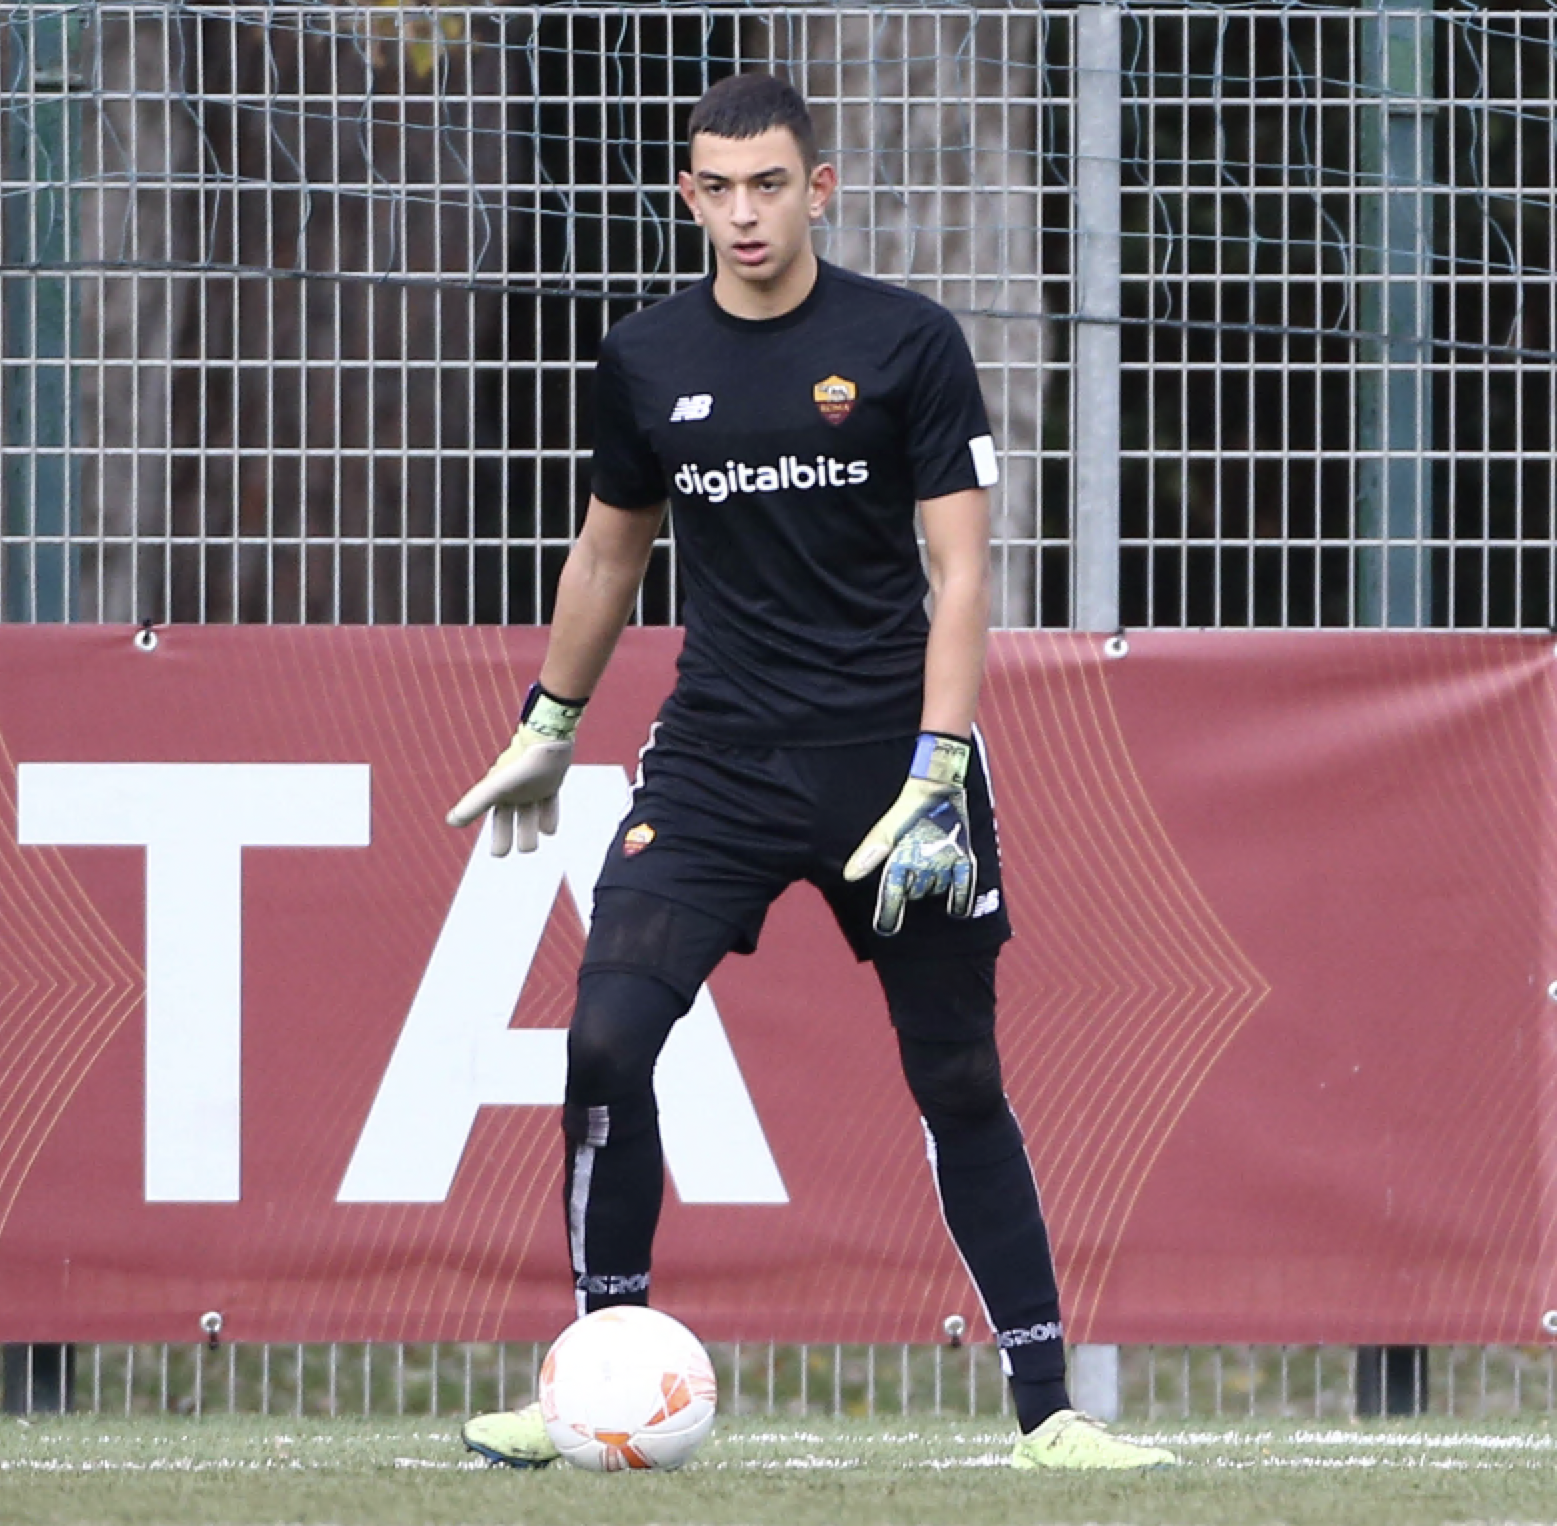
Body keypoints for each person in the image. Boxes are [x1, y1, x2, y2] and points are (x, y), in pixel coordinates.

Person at [444, 73, 1175, 1472]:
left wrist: (938, 766)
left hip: (890, 767)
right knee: (603, 1041)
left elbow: (961, 575)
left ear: (817, 189)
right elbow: (610, 553)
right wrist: (549, 722)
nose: (742, 214)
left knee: (956, 1072)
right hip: (715, 759)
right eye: (714, 189)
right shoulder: (646, 357)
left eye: (766, 185)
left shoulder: (904, 343)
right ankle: (600, 1369)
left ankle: (1049, 1412)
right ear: (686, 198)